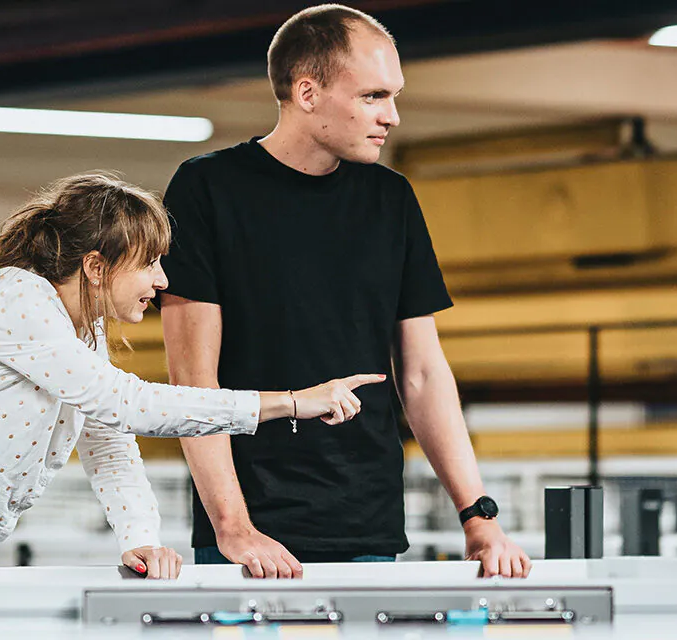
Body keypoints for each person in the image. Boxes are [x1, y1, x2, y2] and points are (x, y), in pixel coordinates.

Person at [0, 172, 383, 576]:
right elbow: (129, 404)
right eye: (149, 262)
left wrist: (141, 542)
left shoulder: (83, 329)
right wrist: (290, 403)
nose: (161, 280)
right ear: (95, 265)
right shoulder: (16, 300)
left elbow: (111, 444)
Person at [159, 4, 531, 578]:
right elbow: (193, 381)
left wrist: (477, 518)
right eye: (373, 96)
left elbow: (424, 373)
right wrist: (234, 528)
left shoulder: (391, 201)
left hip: (370, 525)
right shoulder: (207, 189)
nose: (393, 116)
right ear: (307, 92)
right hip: (250, 536)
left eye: (395, 96)